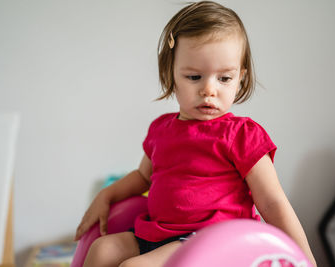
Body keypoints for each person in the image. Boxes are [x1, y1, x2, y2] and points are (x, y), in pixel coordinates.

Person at [74, 1, 317, 266]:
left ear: (240, 79)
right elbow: (143, 177)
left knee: (134, 266)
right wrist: (105, 195)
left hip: (213, 243)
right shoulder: (161, 129)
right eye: (194, 77)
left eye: (224, 78)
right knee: (101, 250)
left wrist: (304, 258)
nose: (209, 90)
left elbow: (272, 202)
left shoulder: (241, 135)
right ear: (172, 75)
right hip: (157, 234)